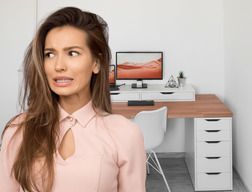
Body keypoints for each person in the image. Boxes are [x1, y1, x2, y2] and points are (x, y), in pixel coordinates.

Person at [0, 7, 146, 192]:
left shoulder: (126, 134)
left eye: (73, 53)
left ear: (97, 63)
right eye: (50, 54)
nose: (59, 66)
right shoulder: (17, 130)